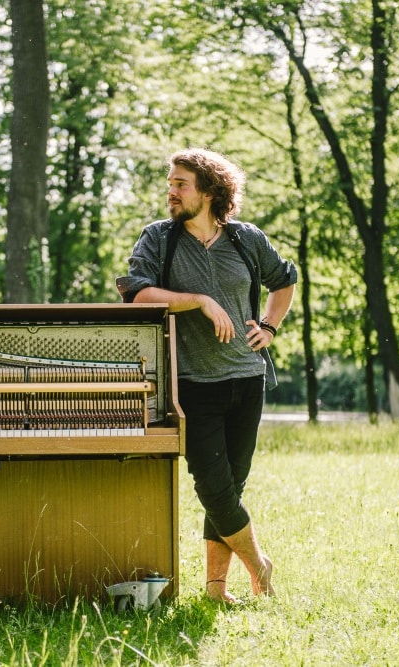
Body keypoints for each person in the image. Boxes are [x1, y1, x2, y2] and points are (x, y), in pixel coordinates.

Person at [116, 148, 297, 603]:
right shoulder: (160, 238)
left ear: (211, 191)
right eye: (170, 182)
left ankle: (216, 590)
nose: (170, 191)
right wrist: (199, 299)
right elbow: (138, 295)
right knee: (212, 485)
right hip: (193, 383)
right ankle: (260, 565)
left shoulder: (245, 239)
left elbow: (285, 279)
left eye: (181, 184)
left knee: (230, 488)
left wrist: (269, 327)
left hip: (247, 379)